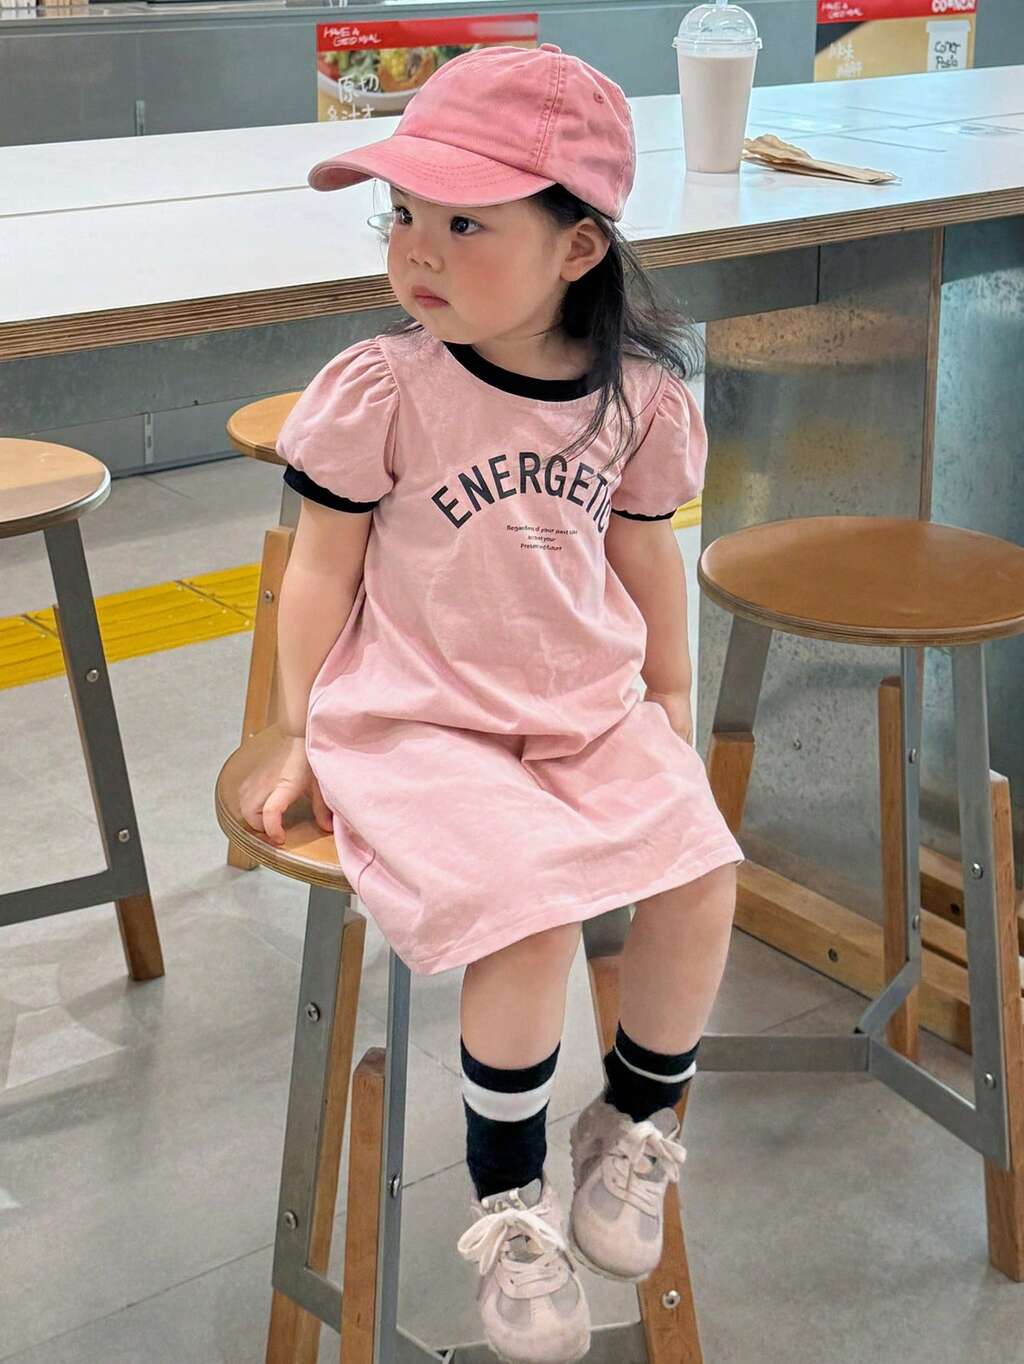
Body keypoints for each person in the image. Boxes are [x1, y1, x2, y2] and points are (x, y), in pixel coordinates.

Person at [239, 42, 744, 1364]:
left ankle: (633, 1123)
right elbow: (319, 569)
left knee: (702, 870)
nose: (418, 247)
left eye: (465, 223)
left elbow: (646, 557)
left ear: (578, 250)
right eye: (403, 212)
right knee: (529, 911)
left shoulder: (638, 399)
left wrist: (668, 697)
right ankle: (511, 1206)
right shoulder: (387, 386)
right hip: (421, 720)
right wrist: (297, 729)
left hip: (582, 707)